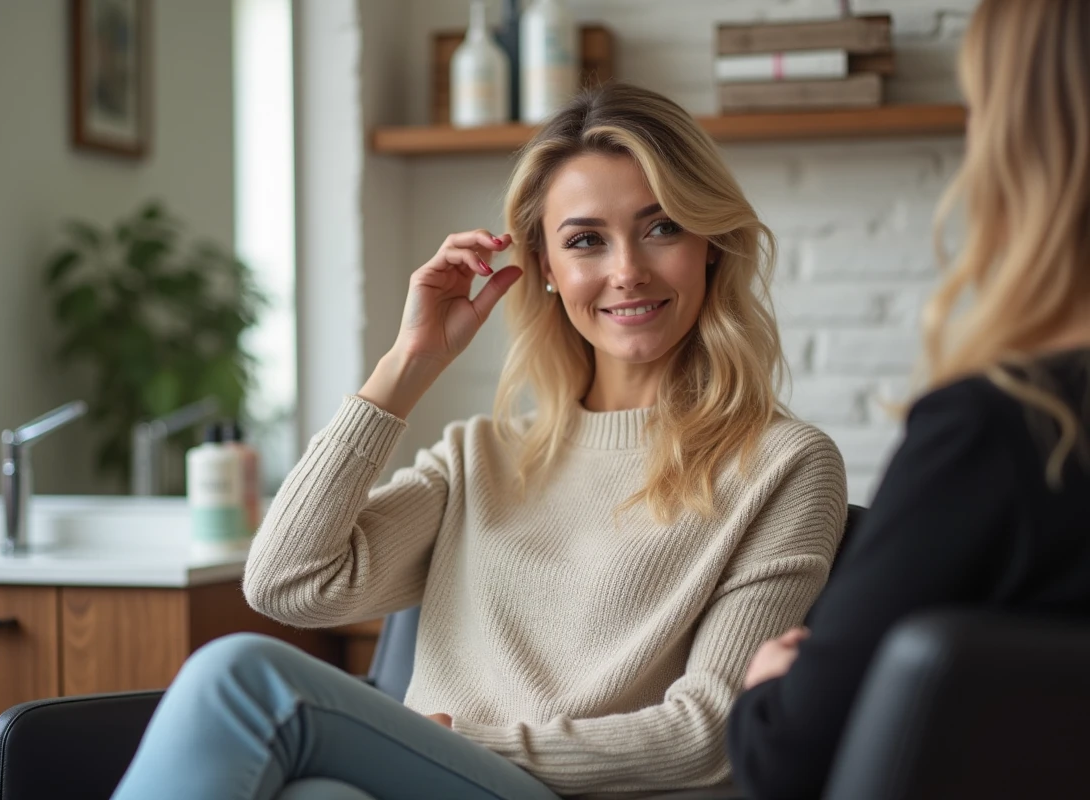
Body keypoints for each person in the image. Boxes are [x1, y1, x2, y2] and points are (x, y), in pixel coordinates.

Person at [111, 83, 847, 800]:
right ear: (547, 270)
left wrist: (448, 746)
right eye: (586, 240)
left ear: (711, 246)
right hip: (421, 776)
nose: (627, 271)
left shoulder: (783, 465)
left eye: (662, 227)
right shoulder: (480, 457)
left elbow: (710, 732)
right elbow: (286, 581)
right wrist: (407, 366)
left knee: (240, 676)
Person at [727, 1, 1090, 797]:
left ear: (1014, 141)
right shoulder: (479, 455)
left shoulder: (1002, 430)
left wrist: (760, 693)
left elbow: (784, 759)